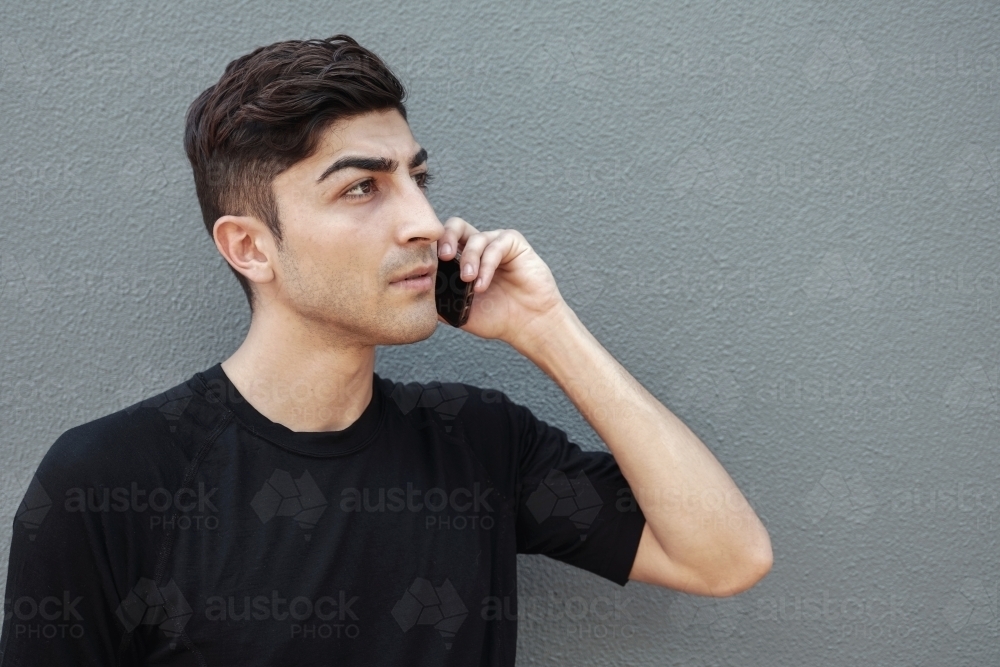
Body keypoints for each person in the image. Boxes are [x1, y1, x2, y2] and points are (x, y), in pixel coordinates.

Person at [0, 35, 771, 665]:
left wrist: (546, 327)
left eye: (417, 177)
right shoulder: (106, 481)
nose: (427, 222)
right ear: (250, 247)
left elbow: (724, 556)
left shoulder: (478, 443)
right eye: (362, 188)